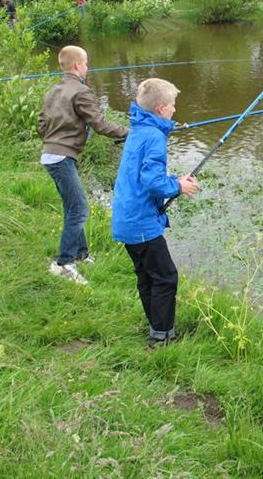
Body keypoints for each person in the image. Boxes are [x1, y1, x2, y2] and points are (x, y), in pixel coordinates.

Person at [111, 78, 200, 348]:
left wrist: (174, 180)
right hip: (142, 223)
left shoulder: (139, 129)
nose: (175, 109)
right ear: (161, 109)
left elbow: (144, 176)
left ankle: (157, 328)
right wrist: (178, 187)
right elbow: (151, 182)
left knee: (147, 276)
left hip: (127, 218)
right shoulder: (154, 137)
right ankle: (161, 337)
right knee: (166, 277)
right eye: (172, 105)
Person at [37, 45, 129, 285]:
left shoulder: (53, 90)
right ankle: (63, 263)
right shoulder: (81, 91)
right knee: (79, 209)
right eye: (86, 63)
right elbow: (100, 124)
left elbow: (41, 123)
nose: (87, 67)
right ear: (78, 65)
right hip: (61, 157)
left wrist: (53, 141)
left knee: (72, 206)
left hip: (50, 155)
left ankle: (81, 253)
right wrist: (129, 132)